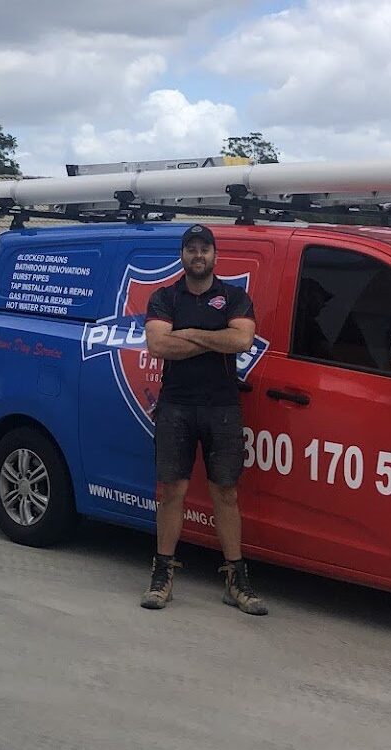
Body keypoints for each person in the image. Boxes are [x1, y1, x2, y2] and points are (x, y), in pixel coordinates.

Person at [140, 223, 267, 615]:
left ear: (215, 255)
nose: (198, 255)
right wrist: (213, 337)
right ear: (182, 255)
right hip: (176, 406)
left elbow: (242, 340)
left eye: (205, 249)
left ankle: (236, 580)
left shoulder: (234, 296)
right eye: (191, 249)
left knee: (226, 494)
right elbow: (158, 344)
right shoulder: (164, 297)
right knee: (172, 492)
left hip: (222, 407)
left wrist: (191, 333)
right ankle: (161, 577)